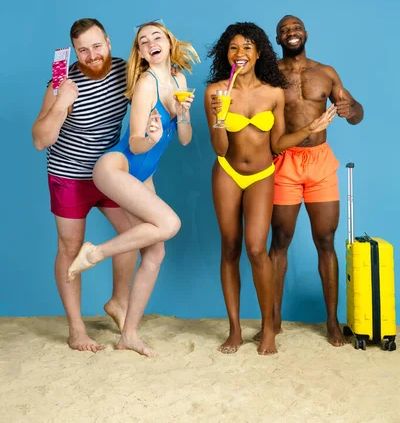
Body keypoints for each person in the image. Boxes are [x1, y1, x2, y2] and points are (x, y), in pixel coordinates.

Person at [67, 20, 200, 357]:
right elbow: (137, 144)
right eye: (143, 41)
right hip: (116, 167)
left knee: (155, 252)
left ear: (169, 42)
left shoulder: (179, 80)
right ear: (140, 53)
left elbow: (184, 139)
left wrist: (182, 114)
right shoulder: (145, 84)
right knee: (169, 225)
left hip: (144, 176)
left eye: (157, 37)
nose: (151, 43)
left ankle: (129, 333)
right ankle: (95, 252)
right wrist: (151, 138)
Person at [204, 22, 336, 355]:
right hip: (227, 172)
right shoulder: (216, 92)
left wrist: (311, 126)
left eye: (247, 47)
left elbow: (277, 143)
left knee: (257, 249)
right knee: (230, 247)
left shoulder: (273, 93)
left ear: (260, 52)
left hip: (262, 174)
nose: (240, 54)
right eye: (233, 48)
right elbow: (220, 149)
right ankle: (234, 329)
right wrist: (219, 117)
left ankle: (268, 329)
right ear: (226, 54)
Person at [32, 18, 137, 352]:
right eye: (83, 50)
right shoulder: (60, 82)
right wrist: (62, 101)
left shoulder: (126, 71)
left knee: (133, 233)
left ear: (108, 41)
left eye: (96, 46)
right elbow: (39, 140)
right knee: (69, 248)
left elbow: (159, 78)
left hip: (108, 173)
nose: (92, 55)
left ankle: (118, 302)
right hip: (68, 175)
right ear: (74, 52)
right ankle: (76, 329)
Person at [268, 14, 364, 347]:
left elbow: (356, 113)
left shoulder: (326, 72)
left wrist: (349, 109)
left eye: (295, 28)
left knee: (325, 240)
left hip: (321, 161)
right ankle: (274, 320)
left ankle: (332, 322)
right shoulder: (271, 74)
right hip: (285, 161)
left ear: (305, 34)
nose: (290, 33)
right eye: (284, 31)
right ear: (278, 39)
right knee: (279, 240)